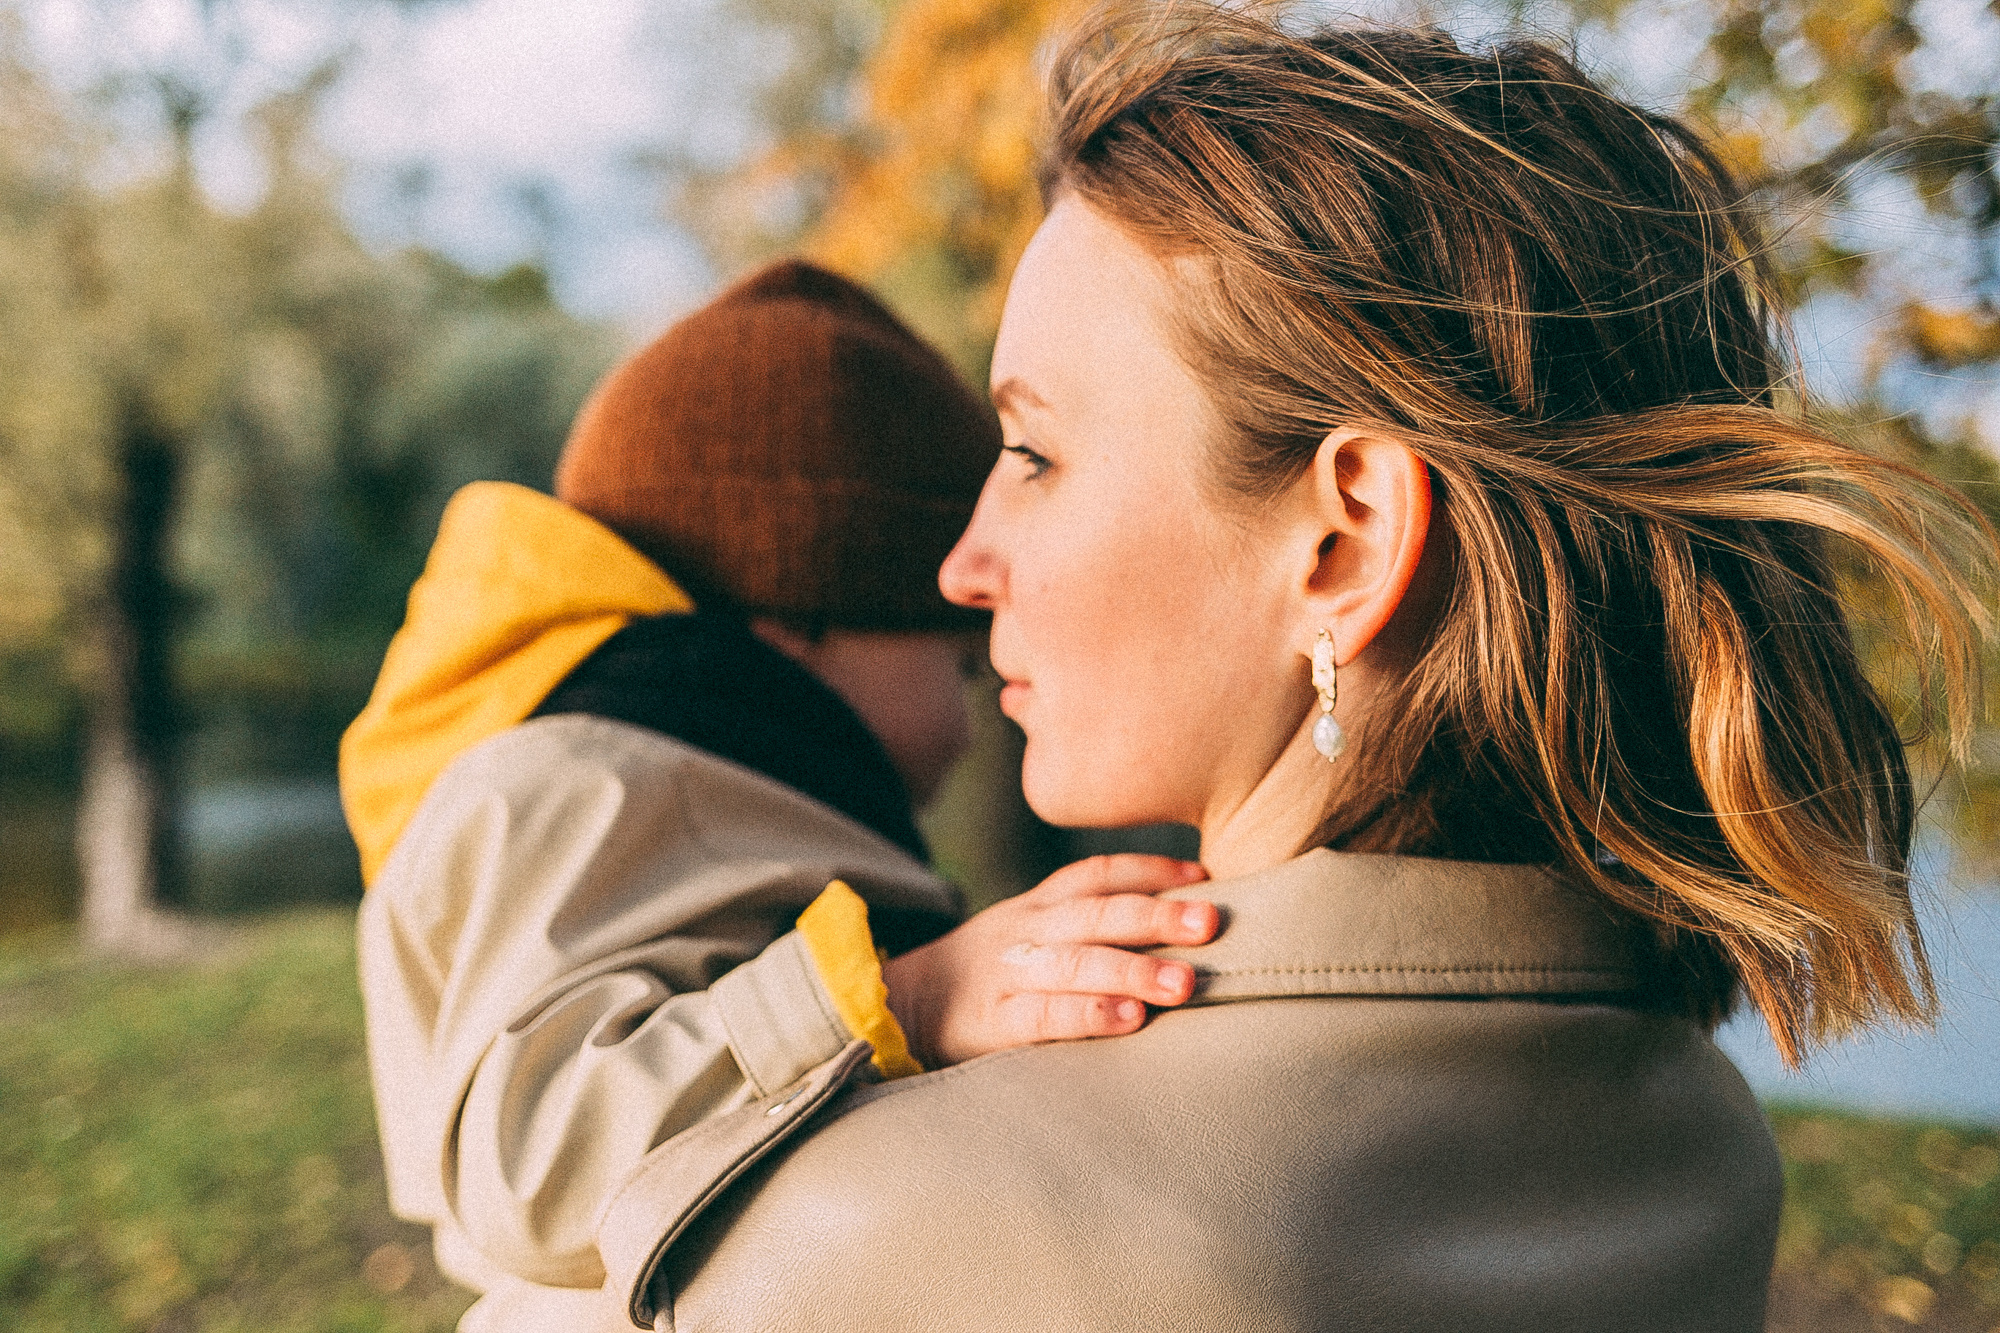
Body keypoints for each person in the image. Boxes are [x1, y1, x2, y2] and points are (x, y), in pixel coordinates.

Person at [587, 11, 2000, 1333]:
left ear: (1344, 541)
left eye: (1033, 455)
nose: (963, 566)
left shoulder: (887, 1221)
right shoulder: (1699, 1144)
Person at [342, 260, 1220, 1332]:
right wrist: (909, 995)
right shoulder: (593, 785)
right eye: (957, 664)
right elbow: (532, 1159)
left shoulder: (707, 785)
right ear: (798, 619)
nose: (974, 712)